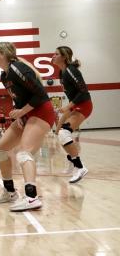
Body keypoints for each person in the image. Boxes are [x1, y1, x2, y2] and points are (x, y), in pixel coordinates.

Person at [0, 42, 55, 212]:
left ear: (3, 55)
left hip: (42, 111)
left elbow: (40, 95)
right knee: (0, 149)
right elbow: (19, 98)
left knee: (24, 152)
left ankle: (31, 197)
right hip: (27, 113)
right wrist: (20, 114)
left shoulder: (17, 68)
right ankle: (10, 192)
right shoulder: (4, 76)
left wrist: (21, 112)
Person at [51, 46, 92, 183]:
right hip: (74, 106)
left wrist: (68, 106)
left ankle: (80, 167)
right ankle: (72, 162)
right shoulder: (61, 73)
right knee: (59, 134)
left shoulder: (71, 70)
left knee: (64, 133)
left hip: (84, 105)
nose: (53, 56)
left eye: (56, 54)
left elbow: (83, 92)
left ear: (64, 57)